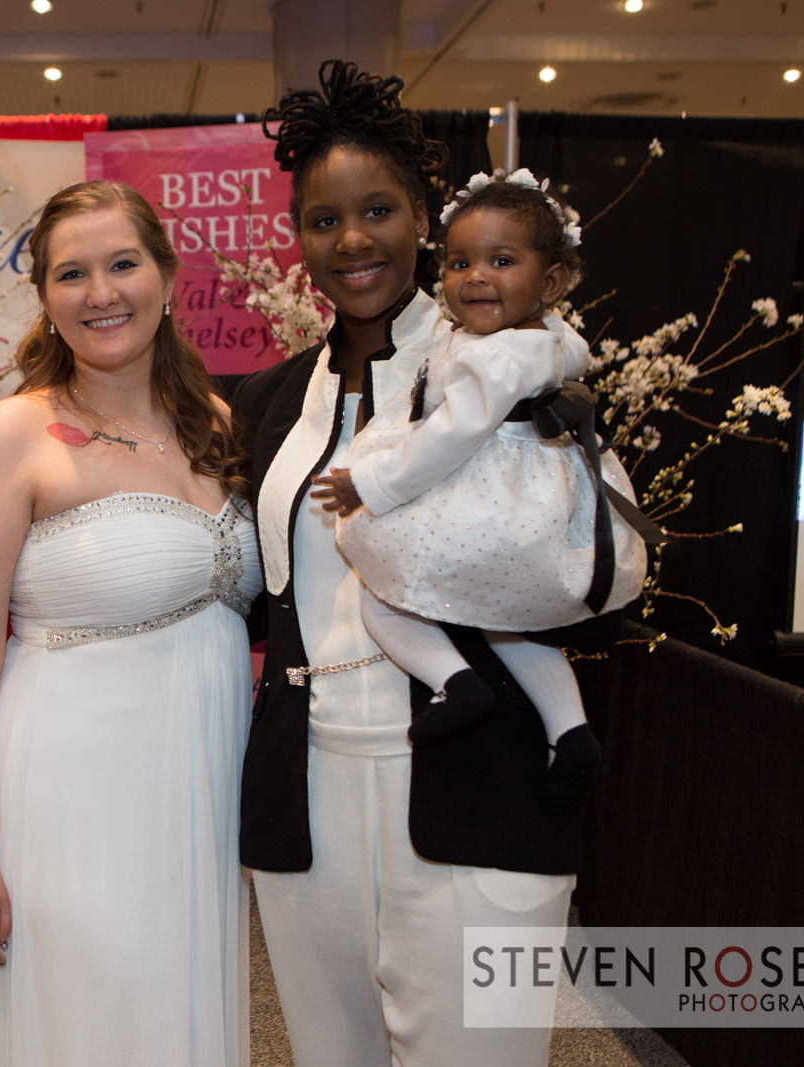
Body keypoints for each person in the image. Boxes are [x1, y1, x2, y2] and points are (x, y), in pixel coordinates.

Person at [233, 60, 581, 1066]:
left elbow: (591, 577)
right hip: (308, 795)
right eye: (322, 220)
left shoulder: (519, 364)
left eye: (378, 209)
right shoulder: (268, 400)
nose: (352, 242)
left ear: (425, 216)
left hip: (479, 778)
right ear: (295, 235)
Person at [0, 179, 261, 1066]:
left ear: (165, 274)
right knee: (92, 1020)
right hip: (73, 799)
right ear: (43, 297)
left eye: (123, 263)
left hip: (197, 797)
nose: (102, 292)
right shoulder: (9, 436)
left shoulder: (218, 427)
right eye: (72, 273)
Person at [314, 169, 646, 812]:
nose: (474, 277)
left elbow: (450, 435)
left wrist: (373, 486)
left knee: (383, 589)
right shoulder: (548, 339)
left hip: (486, 496)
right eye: (459, 261)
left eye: (501, 260)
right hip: (540, 504)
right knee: (512, 624)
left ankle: (455, 684)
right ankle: (571, 731)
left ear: (550, 281)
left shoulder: (496, 357)